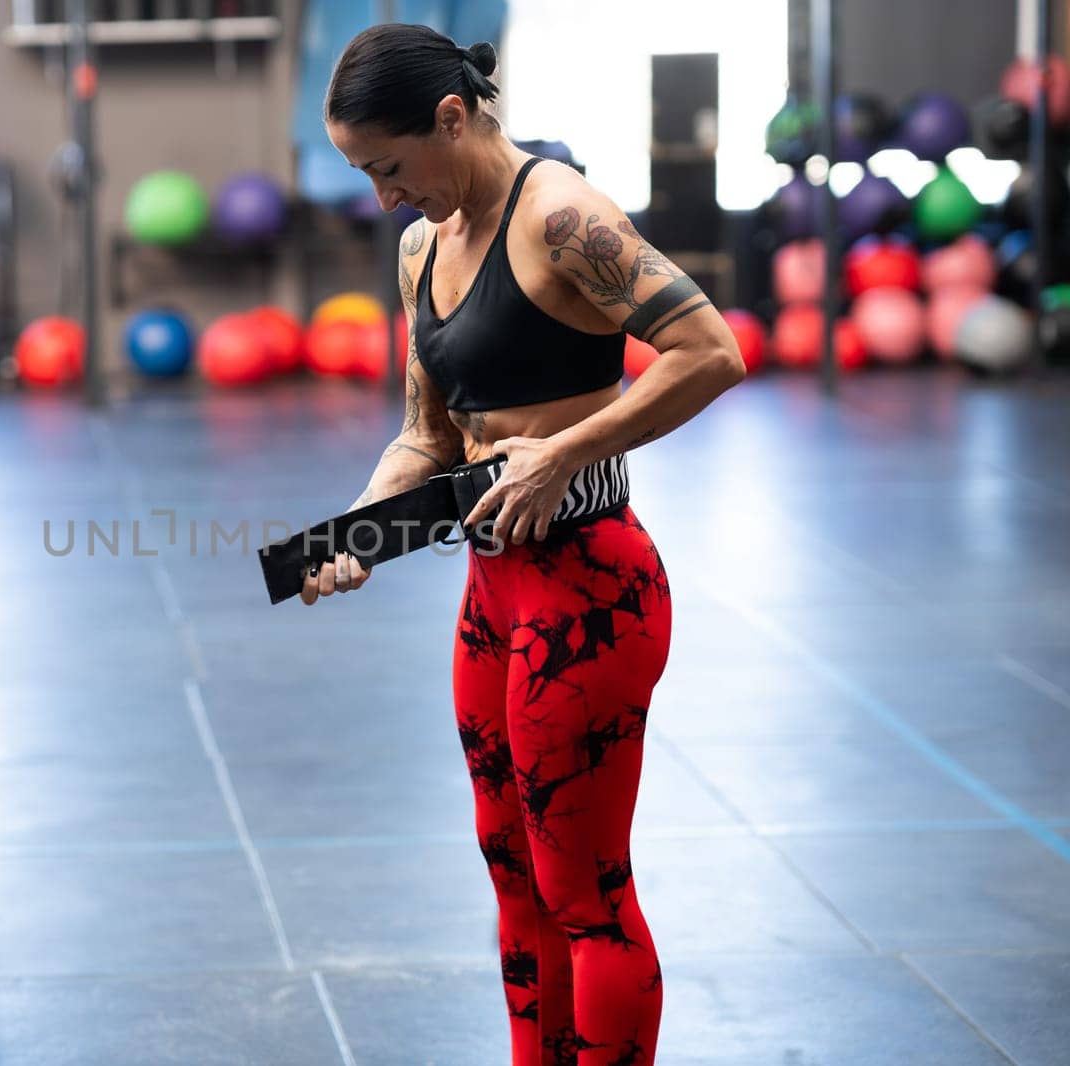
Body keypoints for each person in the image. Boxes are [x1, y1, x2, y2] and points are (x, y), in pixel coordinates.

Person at [303, 23, 747, 1066]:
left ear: (450, 118)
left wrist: (560, 452)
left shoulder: (562, 218)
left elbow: (709, 351)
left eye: (390, 168)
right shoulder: (422, 244)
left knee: (584, 893)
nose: (384, 199)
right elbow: (429, 434)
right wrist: (357, 531)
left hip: (591, 592)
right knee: (513, 874)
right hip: (493, 594)